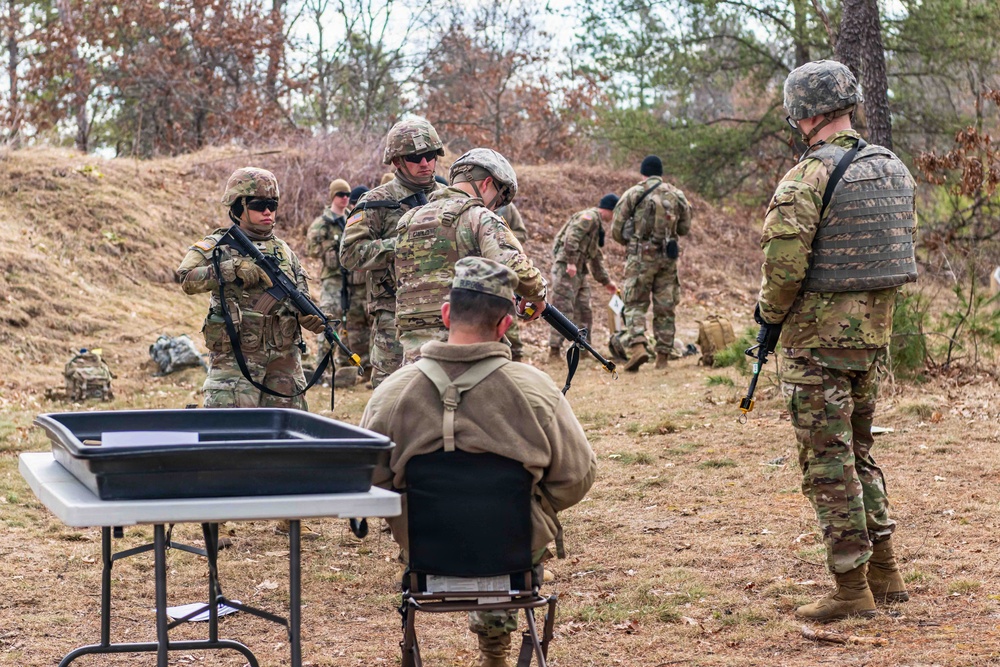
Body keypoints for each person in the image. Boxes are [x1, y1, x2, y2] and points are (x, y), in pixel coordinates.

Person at [360, 257, 596, 667]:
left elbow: (369, 477)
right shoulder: (536, 390)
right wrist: (528, 504)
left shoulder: (392, 394)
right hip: (514, 560)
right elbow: (577, 477)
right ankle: (495, 650)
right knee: (512, 520)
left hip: (425, 559)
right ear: (506, 324)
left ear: (446, 314)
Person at [757, 59, 916, 621]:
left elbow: (783, 271)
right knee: (860, 454)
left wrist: (768, 317)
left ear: (806, 113)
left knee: (828, 464)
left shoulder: (806, 178)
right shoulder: (892, 168)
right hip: (872, 339)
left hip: (815, 343)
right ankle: (886, 573)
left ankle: (851, 590)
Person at [177, 167, 326, 540]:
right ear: (238, 206)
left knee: (292, 436)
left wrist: (311, 318)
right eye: (259, 205)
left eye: (273, 204)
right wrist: (232, 269)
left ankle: (291, 515)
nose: (268, 212)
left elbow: (301, 292)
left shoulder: (284, 251)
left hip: (283, 357)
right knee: (226, 437)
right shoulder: (218, 245)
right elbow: (185, 278)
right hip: (236, 359)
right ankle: (218, 519)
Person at [393, 148, 547, 363]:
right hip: (465, 343)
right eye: (499, 198)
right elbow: (517, 269)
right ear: (486, 183)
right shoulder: (479, 217)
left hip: (414, 351)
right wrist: (538, 293)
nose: (496, 206)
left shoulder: (409, 220)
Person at [340, 118, 445, 388]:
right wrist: (402, 245)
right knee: (391, 394)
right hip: (394, 316)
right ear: (397, 161)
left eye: (430, 155)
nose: (425, 163)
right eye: (415, 157)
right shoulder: (376, 202)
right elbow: (350, 253)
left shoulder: (449, 199)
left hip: (444, 313)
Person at [610, 154, 693, 372]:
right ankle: (662, 357)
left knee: (634, 303)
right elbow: (684, 228)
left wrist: (630, 242)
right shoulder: (677, 194)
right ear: (660, 173)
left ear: (643, 173)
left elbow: (616, 229)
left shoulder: (634, 193)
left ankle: (638, 346)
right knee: (665, 306)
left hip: (641, 258)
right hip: (668, 258)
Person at [306, 177, 370, 388]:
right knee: (328, 321)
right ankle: (321, 369)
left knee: (354, 324)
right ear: (333, 196)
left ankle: (351, 367)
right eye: (340, 195)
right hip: (333, 280)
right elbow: (311, 248)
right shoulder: (323, 222)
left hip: (352, 281)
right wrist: (328, 249)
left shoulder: (352, 219)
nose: (344, 198)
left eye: (347, 195)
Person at [547, 194, 619, 362]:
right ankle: (554, 351)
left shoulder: (596, 225)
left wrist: (606, 282)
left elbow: (595, 258)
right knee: (562, 308)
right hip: (567, 268)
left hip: (579, 271)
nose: (614, 217)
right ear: (609, 210)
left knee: (584, 310)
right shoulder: (589, 218)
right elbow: (571, 237)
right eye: (615, 212)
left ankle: (584, 349)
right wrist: (571, 262)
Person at [496, 202, 529, 361]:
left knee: (508, 311)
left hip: (502, 269)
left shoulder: (506, 207)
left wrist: (500, 235)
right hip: (472, 271)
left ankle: (516, 356)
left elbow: (521, 233)